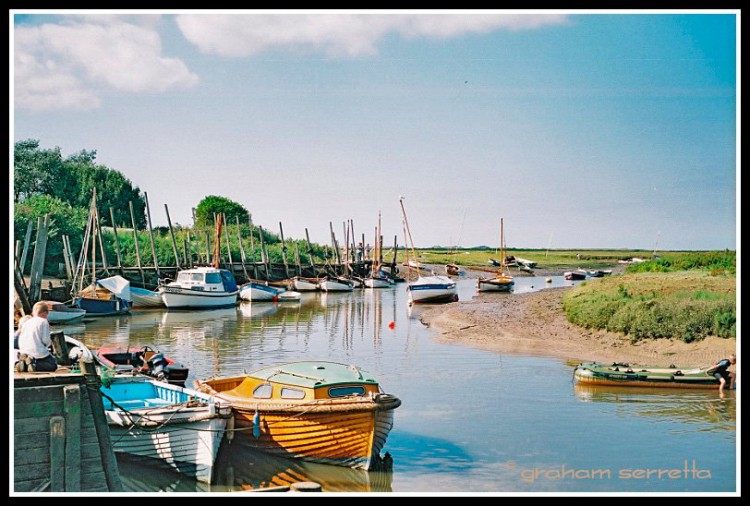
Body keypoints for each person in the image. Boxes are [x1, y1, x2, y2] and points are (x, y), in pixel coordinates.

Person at [16, 301, 57, 373]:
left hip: (24, 350)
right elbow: (46, 340)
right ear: (45, 313)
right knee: (53, 364)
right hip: (37, 353)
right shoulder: (43, 321)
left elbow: (20, 338)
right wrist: (48, 345)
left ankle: (23, 363)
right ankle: (34, 365)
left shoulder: (27, 322)